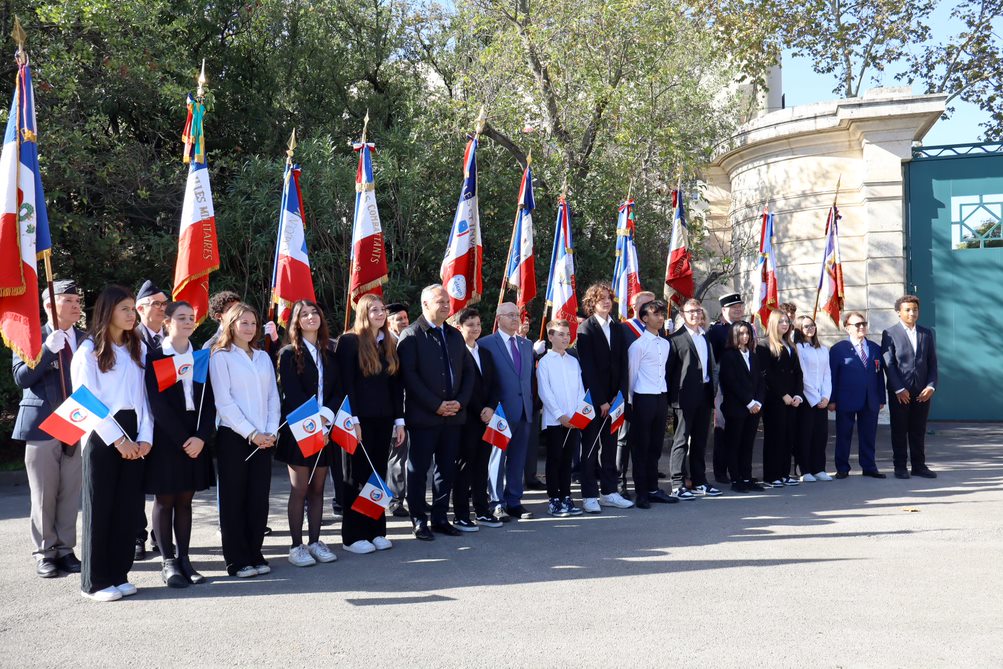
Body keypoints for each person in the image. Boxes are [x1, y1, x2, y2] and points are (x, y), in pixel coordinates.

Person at [71, 285, 153, 602]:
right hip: (102, 434)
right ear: (108, 312)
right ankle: (95, 581)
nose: (132, 315)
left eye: (133, 309)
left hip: (134, 431)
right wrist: (119, 440)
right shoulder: (88, 351)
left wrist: (145, 437)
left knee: (127, 508)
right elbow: (86, 401)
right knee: (100, 507)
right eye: (125, 309)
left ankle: (118, 574)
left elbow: (144, 399)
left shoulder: (137, 348)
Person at [12, 280, 85, 578]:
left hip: (76, 420)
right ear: (49, 304)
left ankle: (66, 550)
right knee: (44, 493)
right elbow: (21, 377)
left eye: (77, 299)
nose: (76, 304)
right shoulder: (30, 336)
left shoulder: (85, 337)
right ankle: (45, 552)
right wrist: (45, 350)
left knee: (70, 492)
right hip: (43, 424)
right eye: (69, 299)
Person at [144, 300, 215, 587]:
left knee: (186, 500)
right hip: (167, 436)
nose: (188, 322)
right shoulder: (155, 357)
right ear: (167, 322)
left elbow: (210, 401)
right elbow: (157, 404)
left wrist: (201, 436)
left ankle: (185, 559)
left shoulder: (201, 358)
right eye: (181, 317)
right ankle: (168, 561)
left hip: (195, 435)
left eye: (192, 317)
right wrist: (183, 439)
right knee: (165, 499)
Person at [396, 285, 473, 539]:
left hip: (453, 417)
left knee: (446, 469)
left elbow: (468, 372)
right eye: (440, 301)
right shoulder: (411, 335)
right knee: (418, 470)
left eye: (447, 301)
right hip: (424, 417)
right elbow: (410, 376)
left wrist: (459, 402)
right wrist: (436, 404)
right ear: (425, 304)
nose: (446, 304)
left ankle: (440, 517)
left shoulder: (453, 334)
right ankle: (419, 519)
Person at [210, 303, 280, 577]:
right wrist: (251, 433)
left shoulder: (262, 357)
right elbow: (224, 402)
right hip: (235, 438)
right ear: (230, 325)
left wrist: (271, 431)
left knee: (257, 499)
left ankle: (255, 552)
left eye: (253, 323)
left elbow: (273, 397)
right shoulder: (221, 356)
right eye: (244, 323)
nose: (250, 328)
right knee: (234, 499)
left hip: (265, 437)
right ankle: (237, 559)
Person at [336, 294, 406, 553]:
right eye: (373, 309)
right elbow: (347, 384)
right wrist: (352, 420)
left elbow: (396, 386)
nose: (379, 313)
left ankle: (376, 530)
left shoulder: (387, 342)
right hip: (357, 420)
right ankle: (353, 536)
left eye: (381, 310)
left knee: (378, 476)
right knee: (356, 476)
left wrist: (399, 422)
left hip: (384, 419)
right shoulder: (349, 341)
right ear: (363, 313)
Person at [275, 300, 341, 566]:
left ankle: (315, 541)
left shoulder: (331, 352)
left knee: (317, 489)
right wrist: (314, 422)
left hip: (325, 428)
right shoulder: (289, 353)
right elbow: (293, 394)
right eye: (304, 314)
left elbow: (338, 389)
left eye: (315, 312)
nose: (311, 317)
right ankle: (296, 546)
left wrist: (326, 419)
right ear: (296, 322)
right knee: (299, 489)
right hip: (300, 429)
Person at [575, 283, 632, 512]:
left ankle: (609, 492)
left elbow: (621, 364)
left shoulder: (618, 328)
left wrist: (618, 398)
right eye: (601, 299)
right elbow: (588, 369)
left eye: (609, 298)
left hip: (614, 400)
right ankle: (589, 495)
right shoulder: (585, 329)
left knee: (610, 448)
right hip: (594, 401)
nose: (606, 302)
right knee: (589, 448)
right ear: (592, 303)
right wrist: (601, 401)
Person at [478, 301, 535, 520]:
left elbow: (528, 379)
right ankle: (496, 502)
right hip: (499, 411)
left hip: (524, 410)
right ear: (498, 318)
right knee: (497, 459)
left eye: (517, 315)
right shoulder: (486, 344)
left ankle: (514, 501)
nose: (515, 319)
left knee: (518, 458)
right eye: (510, 315)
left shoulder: (526, 345)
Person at [452, 307, 502, 529]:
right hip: (466, 419)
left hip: (486, 419)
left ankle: (482, 510)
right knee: (464, 467)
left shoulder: (485, 353)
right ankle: (461, 514)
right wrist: (478, 409)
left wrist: (491, 407)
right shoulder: (456, 354)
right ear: (459, 327)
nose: (475, 329)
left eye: (478, 324)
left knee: (482, 465)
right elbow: (462, 388)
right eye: (470, 325)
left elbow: (495, 385)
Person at [626, 299, 677, 508]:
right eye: (655, 314)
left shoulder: (665, 344)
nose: (660, 317)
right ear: (645, 318)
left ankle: (654, 488)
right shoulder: (638, 345)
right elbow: (632, 374)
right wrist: (631, 402)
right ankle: (641, 492)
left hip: (660, 397)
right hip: (642, 397)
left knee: (655, 445)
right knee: (641, 447)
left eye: (661, 314)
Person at [667, 299, 720, 499]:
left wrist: (712, 390)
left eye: (698, 311)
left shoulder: (704, 337)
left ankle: (699, 481)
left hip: (704, 395)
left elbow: (710, 366)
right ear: (683, 314)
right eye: (691, 311)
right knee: (681, 440)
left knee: (700, 440)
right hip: (683, 397)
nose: (696, 314)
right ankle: (677, 483)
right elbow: (669, 372)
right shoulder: (675, 339)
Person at [881, 295, 938, 479]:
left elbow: (932, 363)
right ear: (899, 312)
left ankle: (919, 466)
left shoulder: (926, 333)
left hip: (922, 392)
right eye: (907, 309)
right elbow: (888, 363)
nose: (912, 313)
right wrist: (898, 388)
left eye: (915, 309)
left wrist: (931, 386)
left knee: (918, 430)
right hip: (900, 393)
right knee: (899, 430)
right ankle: (900, 467)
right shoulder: (889, 333)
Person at [133, 279, 168, 560]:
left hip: (164, 422)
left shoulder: (172, 337)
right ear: (140, 308)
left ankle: (161, 534)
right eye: (156, 304)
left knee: (163, 483)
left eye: (164, 304)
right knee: (135, 483)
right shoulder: (129, 338)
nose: (162, 309)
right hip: (136, 420)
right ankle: (137, 535)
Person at [537, 320, 586, 516]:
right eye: (560, 334)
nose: (565, 338)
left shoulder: (573, 361)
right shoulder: (545, 362)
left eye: (567, 334)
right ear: (550, 337)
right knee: (554, 458)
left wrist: (578, 413)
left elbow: (580, 389)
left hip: (573, 420)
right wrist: (560, 415)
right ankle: (554, 499)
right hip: (555, 420)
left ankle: (566, 496)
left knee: (568, 459)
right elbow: (545, 392)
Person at [829, 312, 886, 479]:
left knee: (868, 435)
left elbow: (879, 374)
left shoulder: (875, 348)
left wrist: (881, 398)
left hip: (870, 399)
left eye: (864, 323)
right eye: (857, 324)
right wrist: (832, 400)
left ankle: (869, 467)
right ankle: (842, 468)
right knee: (843, 434)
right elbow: (832, 376)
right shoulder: (838, 349)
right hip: (845, 399)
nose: (862, 327)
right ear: (847, 328)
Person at [616, 290, 656, 498]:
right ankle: (620, 483)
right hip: (629, 393)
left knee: (646, 441)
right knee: (624, 439)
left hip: (649, 395)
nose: (652, 308)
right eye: (647, 305)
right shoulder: (624, 329)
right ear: (635, 307)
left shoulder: (657, 330)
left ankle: (648, 485)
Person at [757, 310, 804, 488]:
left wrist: (798, 394)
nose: (785, 324)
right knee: (774, 437)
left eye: (787, 321)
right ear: (773, 323)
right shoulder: (764, 344)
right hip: (775, 399)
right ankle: (771, 475)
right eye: (781, 321)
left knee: (787, 437)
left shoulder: (791, 344)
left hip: (792, 398)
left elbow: (798, 372)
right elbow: (766, 374)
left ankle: (784, 473)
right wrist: (782, 394)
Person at [717, 321, 765, 492]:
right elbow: (731, 382)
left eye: (748, 333)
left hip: (754, 409)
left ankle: (747, 477)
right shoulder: (729, 355)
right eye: (742, 333)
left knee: (747, 445)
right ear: (735, 335)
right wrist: (749, 402)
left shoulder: (752, 355)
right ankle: (736, 479)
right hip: (737, 407)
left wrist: (758, 401)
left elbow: (760, 381)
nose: (745, 337)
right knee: (734, 444)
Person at [708, 293, 744, 484]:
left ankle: (738, 470)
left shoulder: (746, 328)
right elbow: (712, 362)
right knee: (722, 430)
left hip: (742, 387)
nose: (738, 310)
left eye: (740, 306)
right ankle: (720, 472)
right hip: (722, 387)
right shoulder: (716, 331)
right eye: (733, 307)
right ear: (723, 310)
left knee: (739, 431)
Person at [794, 315, 833, 482]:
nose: (810, 329)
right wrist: (815, 398)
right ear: (799, 329)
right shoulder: (799, 348)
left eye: (812, 325)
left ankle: (819, 468)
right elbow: (802, 375)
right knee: (805, 435)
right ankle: (804, 469)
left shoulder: (823, 349)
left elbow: (827, 375)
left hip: (821, 399)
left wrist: (825, 396)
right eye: (805, 326)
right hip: (807, 398)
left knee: (821, 434)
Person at [384, 301, 411, 517]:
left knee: (413, 455)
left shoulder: (409, 341)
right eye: (398, 319)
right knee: (397, 455)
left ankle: (411, 496)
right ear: (388, 321)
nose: (403, 322)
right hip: (394, 408)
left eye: (405, 318)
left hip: (413, 406)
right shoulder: (386, 344)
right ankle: (394, 499)